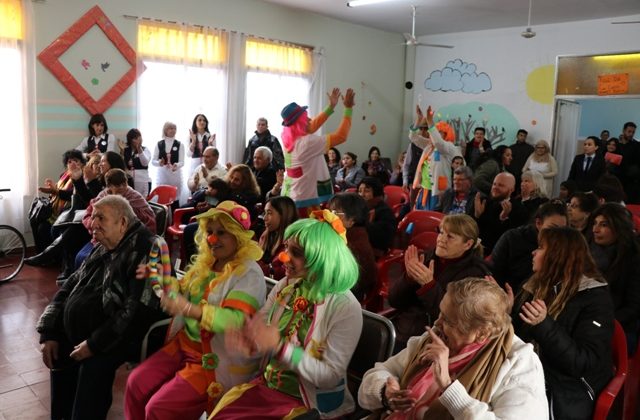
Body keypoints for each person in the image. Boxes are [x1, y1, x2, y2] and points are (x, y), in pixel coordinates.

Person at [210, 211, 363, 419]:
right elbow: (260, 331)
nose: (284, 257)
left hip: (308, 405)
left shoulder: (346, 308)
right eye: (286, 248)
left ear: (322, 258)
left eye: (296, 252)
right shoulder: (286, 286)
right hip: (267, 387)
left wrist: (281, 348)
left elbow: (328, 377)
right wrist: (246, 340)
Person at [125, 201, 266, 419]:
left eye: (221, 232)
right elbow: (182, 291)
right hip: (182, 345)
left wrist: (191, 309)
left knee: (159, 408)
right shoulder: (207, 263)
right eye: (209, 231)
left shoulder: (249, 273)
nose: (212, 239)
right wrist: (161, 278)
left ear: (238, 237)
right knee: (136, 384)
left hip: (212, 359)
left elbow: (236, 320)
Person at [36, 195, 164, 420]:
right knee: (58, 353)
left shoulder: (148, 248)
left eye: (100, 218)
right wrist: (50, 330)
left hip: (127, 334)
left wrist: (94, 344)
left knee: (93, 366)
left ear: (122, 222)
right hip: (92, 328)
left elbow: (138, 311)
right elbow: (71, 285)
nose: (92, 223)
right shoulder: (104, 243)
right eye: (93, 216)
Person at [359, 277, 548, 419]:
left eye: (449, 321)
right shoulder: (434, 338)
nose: (437, 323)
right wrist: (385, 391)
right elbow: (380, 372)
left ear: (481, 334)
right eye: (441, 312)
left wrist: (449, 387)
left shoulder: (520, 363)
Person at [512, 226, 614, 419]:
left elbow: (582, 362)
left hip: (570, 388)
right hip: (532, 373)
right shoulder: (536, 284)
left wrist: (543, 324)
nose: (533, 252)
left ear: (557, 256)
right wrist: (506, 312)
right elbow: (519, 341)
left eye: (541, 248)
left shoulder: (595, 299)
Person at [389, 214, 489, 349]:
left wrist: (429, 286)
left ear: (468, 244)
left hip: (435, 340)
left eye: (450, 236)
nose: (441, 239)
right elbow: (394, 301)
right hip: (403, 328)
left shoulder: (475, 274)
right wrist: (408, 279)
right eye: (441, 233)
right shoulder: (427, 257)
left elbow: (452, 320)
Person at [280, 87, 355, 216]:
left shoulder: (289, 140)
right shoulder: (307, 142)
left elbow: (312, 126)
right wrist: (348, 108)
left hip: (291, 194)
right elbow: (341, 136)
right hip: (304, 198)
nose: (309, 119)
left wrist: (331, 107)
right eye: (305, 117)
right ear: (300, 122)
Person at [588, 203, 640, 351]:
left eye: (603, 225)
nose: (595, 230)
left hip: (619, 328)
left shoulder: (633, 260)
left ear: (618, 228)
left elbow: (633, 308)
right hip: (590, 320)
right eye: (595, 223)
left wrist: (600, 322)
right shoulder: (588, 252)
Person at [490, 200, 568, 295]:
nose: (557, 234)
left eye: (562, 230)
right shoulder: (512, 238)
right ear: (538, 223)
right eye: (553, 228)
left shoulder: (563, 247)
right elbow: (494, 272)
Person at [30, 149, 84, 252]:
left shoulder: (82, 177)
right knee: (35, 220)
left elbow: (72, 196)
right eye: (69, 161)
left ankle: (51, 256)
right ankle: (41, 253)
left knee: (43, 228)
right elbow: (58, 192)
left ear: (81, 163)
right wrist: (53, 188)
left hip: (69, 212)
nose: (72, 163)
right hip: (56, 210)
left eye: (76, 161)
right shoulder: (64, 175)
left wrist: (55, 191)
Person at [410, 105, 461, 210]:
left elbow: (438, 142)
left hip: (438, 191)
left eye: (438, 132)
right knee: (420, 216)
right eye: (433, 132)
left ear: (446, 134)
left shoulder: (448, 147)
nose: (433, 135)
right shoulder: (429, 146)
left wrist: (430, 121)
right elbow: (413, 137)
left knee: (434, 216)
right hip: (424, 189)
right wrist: (419, 119)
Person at [329, 192, 377, 302]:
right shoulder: (342, 235)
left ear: (352, 220)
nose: (330, 216)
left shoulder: (354, 245)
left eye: (336, 213)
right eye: (330, 211)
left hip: (346, 296)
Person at [473, 172, 528, 254]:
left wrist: (503, 219)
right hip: (477, 250)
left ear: (511, 190)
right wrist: (477, 216)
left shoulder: (519, 209)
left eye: (501, 185)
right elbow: (476, 231)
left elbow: (510, 240)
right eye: (494, 184)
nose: (495, 187)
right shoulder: (485, 202)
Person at [258, 196, 299, 280]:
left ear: (283, 215)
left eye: (269, 213)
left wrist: (253, 264)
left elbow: (280, 272)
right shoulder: (265, 235)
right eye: (264, 213)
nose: (264, 218)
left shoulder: (294, 241)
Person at [358, 176, 397, 256]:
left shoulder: (384, 211)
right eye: (360, 191)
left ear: (376, 192)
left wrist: (366, 225)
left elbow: (384, 239)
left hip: (375, 250)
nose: (362, 194)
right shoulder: (359, 207)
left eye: (367, 191)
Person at [152, 121, 185, 203]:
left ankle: (174, 215)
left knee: (175, 200)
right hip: (162, 175)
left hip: (175, 175)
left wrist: (176, 165)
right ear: (165, 130)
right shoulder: (159, 144)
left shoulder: (180, 144)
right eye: (171, 128)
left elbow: (182, 162)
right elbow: (153, 161)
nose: (173, 130)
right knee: (162, 200)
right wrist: (159, 163)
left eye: (175, 128)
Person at [123, 128, 152, 196]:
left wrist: (139, 149)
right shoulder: (126, 150)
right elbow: (126, 165)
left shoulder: (145, 150)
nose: (137, 140)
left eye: (139, 137)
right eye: (135, 138)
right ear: (130, 139)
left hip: (143, 181)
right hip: (130, 181)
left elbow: (145, 163)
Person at [617, 121, 640, 203]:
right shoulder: (616, 144)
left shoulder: (637, 145)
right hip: (617, 178)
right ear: (624, 131)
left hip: (630, 180)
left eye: (633, 132)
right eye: (629, 131)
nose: (631, 134)